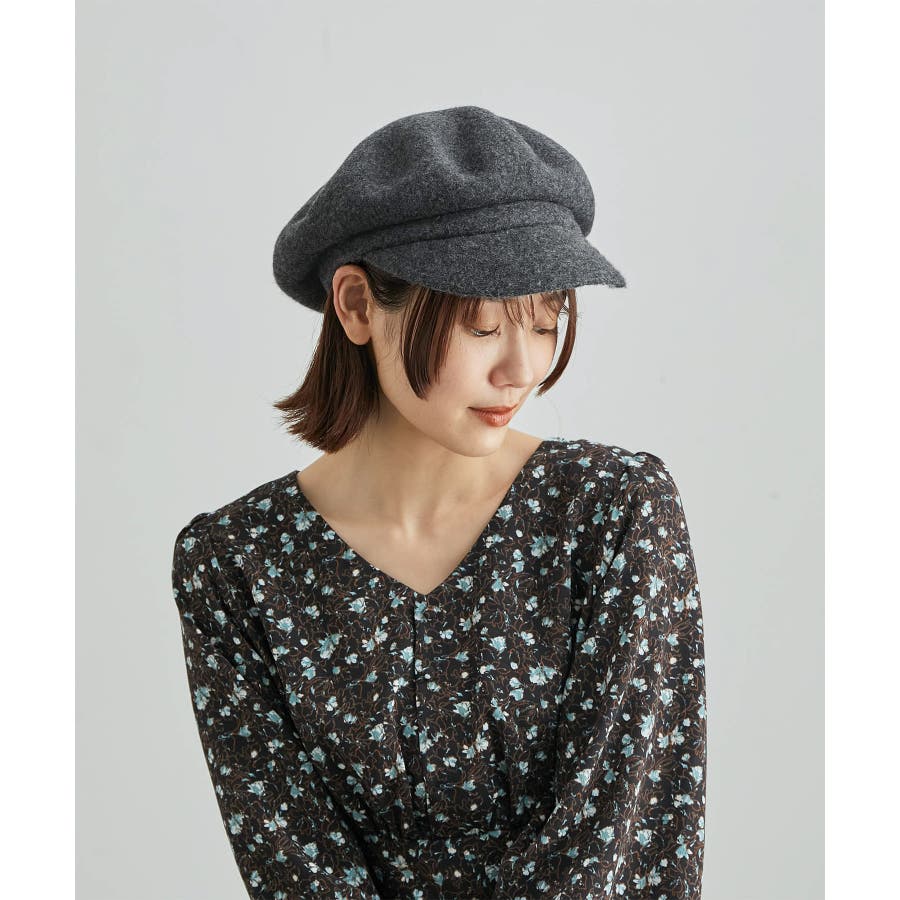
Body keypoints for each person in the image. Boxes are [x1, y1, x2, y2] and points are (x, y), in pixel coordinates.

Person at [171, 106, 707, 899]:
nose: (521, 370)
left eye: (548, 320)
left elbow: (618, 844)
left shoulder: (613, 513)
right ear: (356, 306)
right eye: (482, 327)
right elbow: (294, 866)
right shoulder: (237, 565)